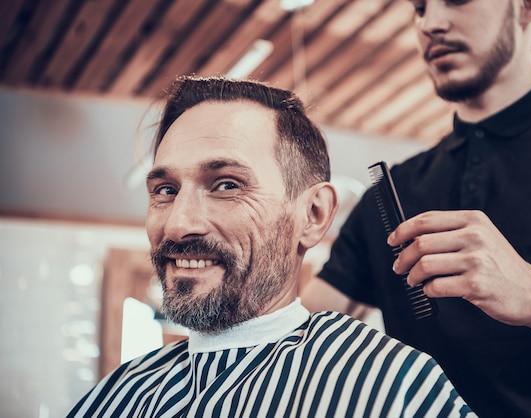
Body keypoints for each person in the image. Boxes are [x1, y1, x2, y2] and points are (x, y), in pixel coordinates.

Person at [67, 76, 475, 417]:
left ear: (313, 215)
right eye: (165, 190)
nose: (178, 223)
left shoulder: (390, 385)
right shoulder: (119, 395)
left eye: (227, 184)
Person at [301, 0, 531, 416]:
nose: (431, 23)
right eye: (419, 8)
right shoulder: (391, 195)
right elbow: (303, 329)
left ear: (528, 6)